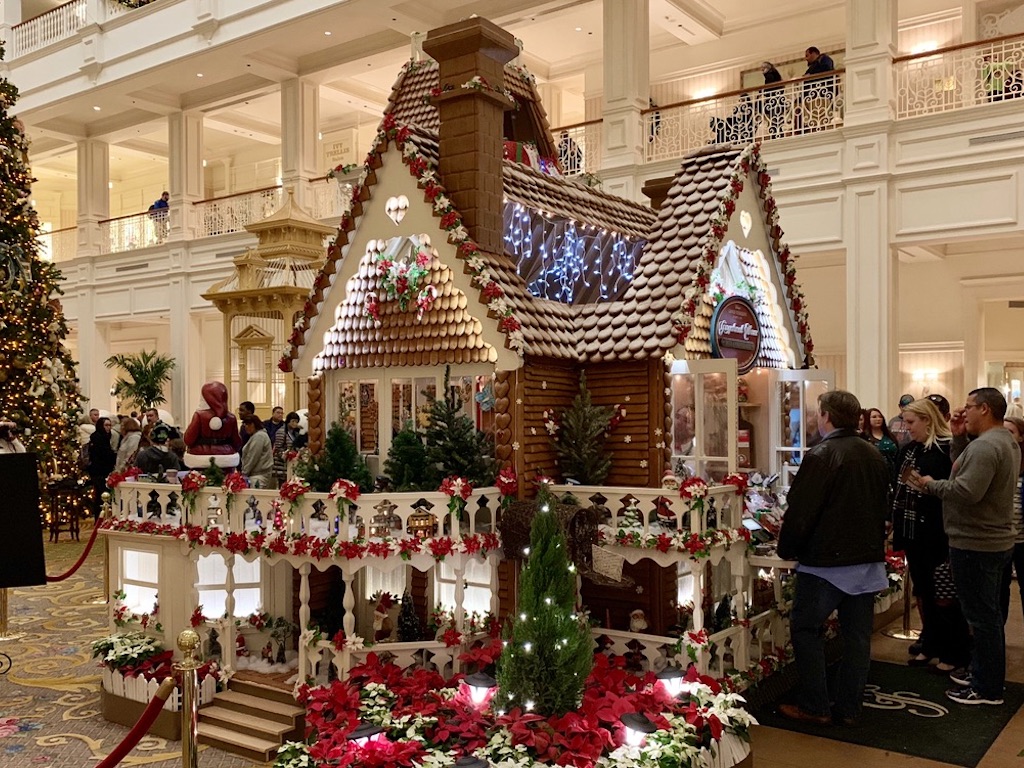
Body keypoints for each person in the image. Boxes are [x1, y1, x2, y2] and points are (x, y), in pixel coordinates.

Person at [776, 390, 889, 726]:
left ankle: (815, 704)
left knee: (806, 629)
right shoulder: (874, 454)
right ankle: (849, 708)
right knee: (857, 638)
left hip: (825, 562)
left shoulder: (822, 454)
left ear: (825, 415)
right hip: (866, 560)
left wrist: (786, 549)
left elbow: (801, 512)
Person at [911, 387, 1019, 705]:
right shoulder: (999, 441)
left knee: (982, 618)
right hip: (988, 539)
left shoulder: (988, 446)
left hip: (977, 542)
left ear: (984, 409)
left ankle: (986, 687)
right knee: (986, 615)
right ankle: (983, 673)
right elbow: (964, 468)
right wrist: (959, 438)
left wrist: (930, 485)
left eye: (969, 407)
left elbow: (967, 490)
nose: (963, 412)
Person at [892, 399, 968, 673]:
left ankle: (953, 651)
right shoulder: (909, 449)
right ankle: (930, 644)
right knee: (924, 591)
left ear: (927, 420)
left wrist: (930, 487)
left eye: (912, 422)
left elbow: (956, 490)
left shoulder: (947, 449)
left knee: (944, 595)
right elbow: (899, 485)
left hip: (939, 531)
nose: (907, 427)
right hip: (913, 530)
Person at [183, 381, 242, 469]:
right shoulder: (231, 418)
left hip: (200, 457)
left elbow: (188, 439)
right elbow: (237, 442)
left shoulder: (199, 416)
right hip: (227, 458)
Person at [1000, 415, 1024, 624]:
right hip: (1001, 539)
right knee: (999, 591)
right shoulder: (997, 460)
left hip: (1022, 539)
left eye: (1011, 432)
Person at [86, 417, 117, 520]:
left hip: (101, 470)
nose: (108, 428)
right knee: (102, 495)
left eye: (109, 425)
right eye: (106, 425)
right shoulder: (98, 438)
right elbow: (104, 455)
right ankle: (100, 518)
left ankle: (100, 518)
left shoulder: (106, 437)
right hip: (99, 471)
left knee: (100, 495)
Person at [800, 46, 836, 132]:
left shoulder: (824, 59)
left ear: (814, 53)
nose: (806, 58)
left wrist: (810, 75)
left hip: (821, 94)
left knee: (821, 119)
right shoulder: (814, 65)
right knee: (815, 120)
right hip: (813, 96)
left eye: (807, 55)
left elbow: (826, 69)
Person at [272, 410, 306, 487]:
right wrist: (285, 455)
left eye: (296, 422)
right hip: (281, 465)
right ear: (288, 421)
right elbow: (278, 448)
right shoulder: (281, 431)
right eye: (293, 421)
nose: (295, 424)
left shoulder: (296, 432)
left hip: (291, 463)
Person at [864, 407, 899, 477]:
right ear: (868, 419)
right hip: (873, 474)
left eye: (880, 417)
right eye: (874, 417)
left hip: (892, 472)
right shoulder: (864, 437)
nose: (878, 419)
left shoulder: (890, 436)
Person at [241, 416, 273, 489]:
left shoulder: (259, 436)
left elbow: (253, 456)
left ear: (253, 425)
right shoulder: (256, 436)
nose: (246, 428)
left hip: (258, 476)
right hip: (256, 475)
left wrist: (244, 472)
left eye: (247, 425)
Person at [759, 61, 786, 139]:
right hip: (777, 100)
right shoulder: (774, 75)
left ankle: (776, 135)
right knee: (776, 119)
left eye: (763, 68)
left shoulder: (769, 76)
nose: (762, 70)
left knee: (774, 119)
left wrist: (762, 91)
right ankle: (778, 134)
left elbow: (769, 87)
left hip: (773, 101)